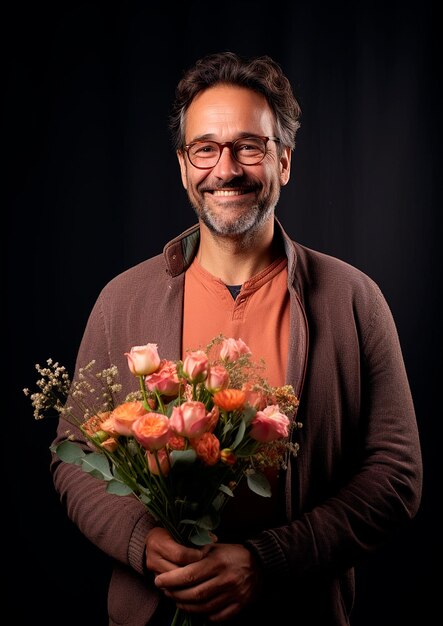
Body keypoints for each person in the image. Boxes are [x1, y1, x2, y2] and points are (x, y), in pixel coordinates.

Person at [51, 51, 422, 626]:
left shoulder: (354, 300)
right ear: (183, 165)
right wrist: (141, 542)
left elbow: (396, 475)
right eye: (206, 148)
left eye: (250, 146)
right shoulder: (122, 300)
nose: (226, 169)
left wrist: (268, 561)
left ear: (285, 162)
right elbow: (72, 459)